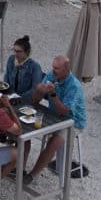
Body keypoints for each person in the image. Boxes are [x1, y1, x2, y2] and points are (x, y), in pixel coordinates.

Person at [24, 54, 87, 183]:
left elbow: (64, 111)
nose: (53, 70)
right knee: (25, 129)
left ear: (66, 70)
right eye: (53, 67)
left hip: (73, 122)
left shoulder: (74, 86)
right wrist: (39, 91)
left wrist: (52, 94)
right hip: (54, 116)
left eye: (56, 68)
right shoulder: (51, 76)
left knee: (56, 140)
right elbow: (35, 101)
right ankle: (17, 169)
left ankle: (32, 176)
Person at [4, 36, 43, 104]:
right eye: (14, 50)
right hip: (10, 97)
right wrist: (7, 91)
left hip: (25, 101)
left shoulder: (35, 67)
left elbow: (34, 89)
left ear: (27, 52)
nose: (15, 54)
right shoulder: (11, 59)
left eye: (19, 51)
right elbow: (6, 76)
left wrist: (18, 98)